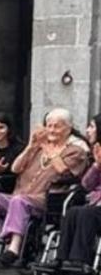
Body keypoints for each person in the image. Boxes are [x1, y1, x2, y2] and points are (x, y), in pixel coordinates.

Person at [0, 108, 88, 267]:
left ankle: (14, 248)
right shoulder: (38, 148)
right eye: (49, 126)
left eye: (56, 126)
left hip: (47, 199)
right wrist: (31, 146)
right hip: (20, 195)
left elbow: (64, 170)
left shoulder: (76, 151)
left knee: (19, 200)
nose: (51, 130)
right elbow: (15, 169)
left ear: (69, 127)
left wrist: (51, 150)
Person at [55, 114, 101, 266]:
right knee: (73, 211)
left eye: (92, 127)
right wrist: (96, 166)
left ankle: (81, 260)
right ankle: (60, 259)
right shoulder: (96, 152)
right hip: (95, 203)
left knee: (86, 213)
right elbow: (86, 185)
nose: (88, 131)